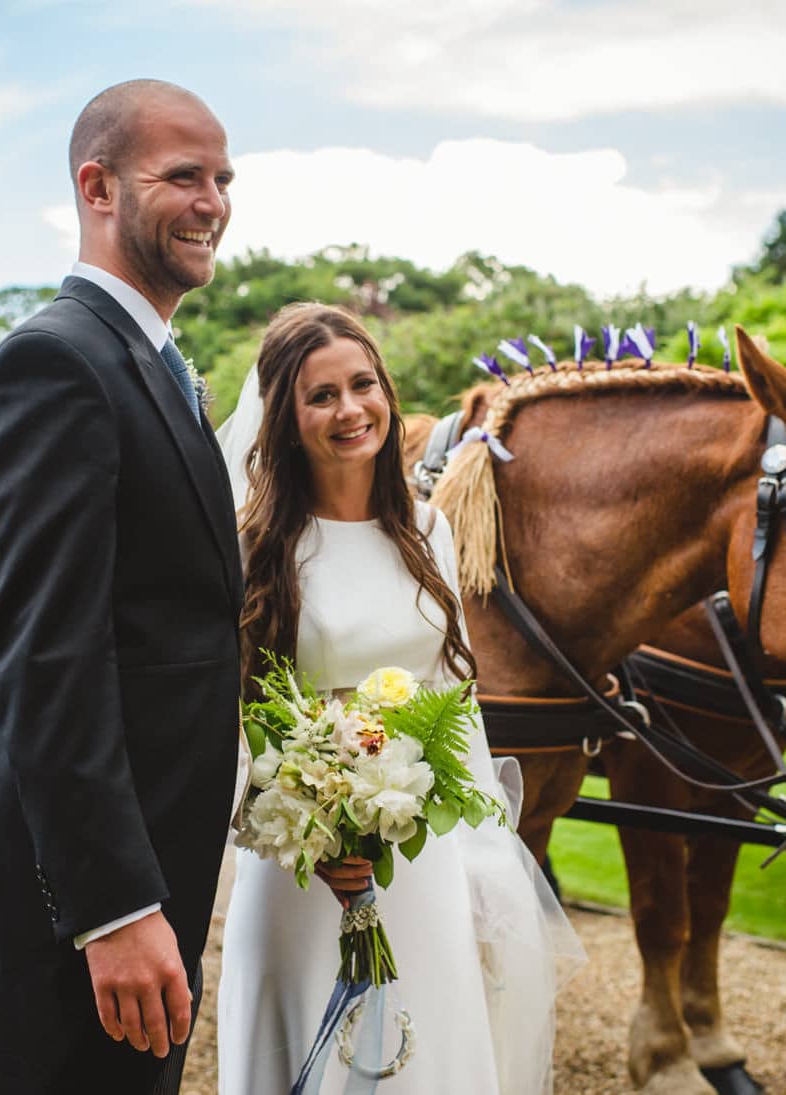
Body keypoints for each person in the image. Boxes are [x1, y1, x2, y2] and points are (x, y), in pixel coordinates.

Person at [0, 80, 241, 1094]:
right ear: (97, 186)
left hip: (160, 858)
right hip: (72, 902)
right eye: (183, 177)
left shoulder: (157, 367)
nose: (213, 202)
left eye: (223, 179)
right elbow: (43, 656)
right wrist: (110, 908)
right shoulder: (53, 362)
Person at [214, 303, 583, 1094]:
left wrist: (484, 859)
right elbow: (227, 722)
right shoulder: (251, 547)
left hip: (421, 860)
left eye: (363, 384)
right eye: (321, 396)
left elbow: (457, 700)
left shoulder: (426, 529)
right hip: (297, 869)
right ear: (284, 417)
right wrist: (300, 824)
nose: (351, 410)